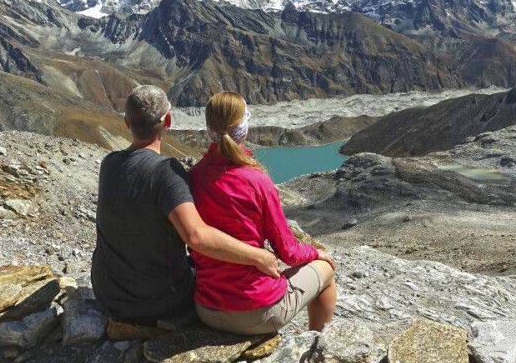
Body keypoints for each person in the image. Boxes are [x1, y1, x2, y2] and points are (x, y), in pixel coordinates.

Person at [91, 85, 281, 325]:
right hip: (157, 302)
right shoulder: (166, 172)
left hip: (107, 294)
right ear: (168, 120)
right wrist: (258, 256)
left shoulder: (109, 164)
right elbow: (197, 236)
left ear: (127, 123)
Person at [189, 91, 337, 335]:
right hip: (256, 312)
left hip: (206, 309)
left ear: (209, 129)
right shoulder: (256, 180)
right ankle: (317, 346)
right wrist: (316, 252)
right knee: (327, 270)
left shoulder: (192, 177)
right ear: (243, 128)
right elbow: (288, 251)